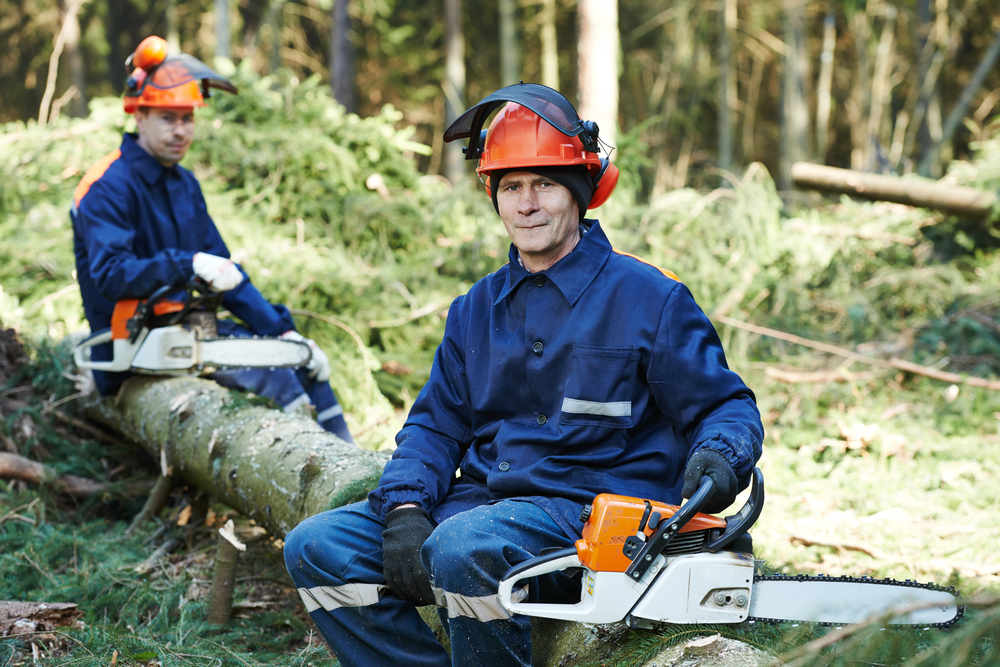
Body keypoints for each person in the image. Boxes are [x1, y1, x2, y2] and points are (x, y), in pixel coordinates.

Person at [283, 83, 763, 666]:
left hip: (592, 515)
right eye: (511, 187)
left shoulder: (649, 299)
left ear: (580, 193)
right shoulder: (475, 310)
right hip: (484, 506)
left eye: (544, 184)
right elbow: (435, 426)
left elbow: (725, 405)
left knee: (464, 547)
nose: (527, 204)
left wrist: (720, 455)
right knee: (318, 546)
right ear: (494, 195)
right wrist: (407, 509)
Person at [71, 36, 352, 443]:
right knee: (282, 386)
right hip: (131, 347)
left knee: (305, 370)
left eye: (187, 118)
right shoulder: (108, 185)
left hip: (190, 333)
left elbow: (225, 272)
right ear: (139, 116)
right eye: (168, 118)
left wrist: (283, 332)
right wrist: (185, 265)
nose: (181, 130)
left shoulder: (184, 185)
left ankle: (356, 467)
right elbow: (112, 275)